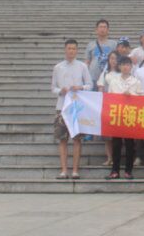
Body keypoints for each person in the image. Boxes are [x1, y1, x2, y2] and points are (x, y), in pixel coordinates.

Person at [51, 39, 92, 180]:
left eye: (74, 48)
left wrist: (80, 87)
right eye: (69, 48)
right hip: (61, 107)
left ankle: (75, 170)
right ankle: (64, 170)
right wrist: (60, 91)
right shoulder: (58, 67)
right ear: (65, 49)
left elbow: (89, 84)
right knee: (62, 139)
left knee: (77, 139)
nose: (71, 51)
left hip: (76, 107)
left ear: (77, 50)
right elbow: (53, 88)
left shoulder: (82, 66)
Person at [107, 56, 142, 179]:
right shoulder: (113, 81)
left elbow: (141, 99)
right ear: (119, 66)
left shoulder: (136, 81)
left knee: (129, 144)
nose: (125, 67)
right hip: (117, 115)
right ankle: (115, 170)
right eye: (123, 65)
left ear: (131, 67)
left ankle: (128, 170)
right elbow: (109, 98)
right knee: (116, 144)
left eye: (128, 65)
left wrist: (130, 95)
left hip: (130, 115)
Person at [86, 19, 116, 85]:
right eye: (100, 27)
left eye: (104, 27)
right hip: (93, 77)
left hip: (108, 78)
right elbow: (87, 61)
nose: (102, 29)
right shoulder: (90, 44)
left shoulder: (114, 44)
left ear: (108, 30)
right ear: (96, 30)